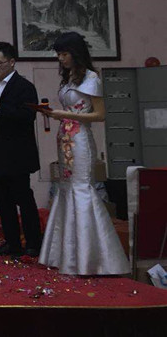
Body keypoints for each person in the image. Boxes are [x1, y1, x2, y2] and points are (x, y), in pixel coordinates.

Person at [38, 32, 130, 275]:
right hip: (65, 137)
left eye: (64, 54)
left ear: (76, 53)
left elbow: (100, 115)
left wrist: (65, 114)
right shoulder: (69, 78)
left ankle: (91, 258)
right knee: (66, 188)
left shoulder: (91, 78)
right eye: (58, 54)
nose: (61, 58)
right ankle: (66, 255)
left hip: (79, 140)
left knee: (81, 188)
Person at [0, 41, 43, 257]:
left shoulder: (24, 87)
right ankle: (12, 242)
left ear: (12, 62)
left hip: (17, 154)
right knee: (3, 201)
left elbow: (27, 116)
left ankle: (33, 243)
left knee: (23, 199)